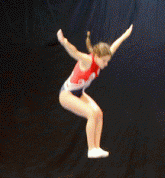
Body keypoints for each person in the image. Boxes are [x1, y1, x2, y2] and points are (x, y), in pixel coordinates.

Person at [56, 25, 134, 159]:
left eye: (107, 61)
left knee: (98, 113)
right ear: (96, 56)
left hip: (79, 93)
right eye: (104, 61)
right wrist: (64, 42)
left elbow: (114, 45)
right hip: (66, 94)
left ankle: (96, 148)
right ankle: (91, 149)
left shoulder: (102, 57)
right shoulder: (88, 60)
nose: (105, 64)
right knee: (91, 114)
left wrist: (125, 35)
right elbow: (75, 53)